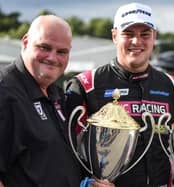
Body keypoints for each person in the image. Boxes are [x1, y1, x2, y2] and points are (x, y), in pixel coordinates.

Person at [65, 2, 174, 187]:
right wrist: (85, 183)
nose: (136, 42)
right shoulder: (86, 85)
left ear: (154, 37)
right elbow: (64, 154)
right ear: (114, 36)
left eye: (144, 34)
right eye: (128, 34)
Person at [0, 15, 114, 187]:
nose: (52, 58)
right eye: (44, 47)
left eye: (62, 52)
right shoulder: (5, 93)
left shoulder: (56, 94)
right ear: (25, 42)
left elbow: (51, 162)